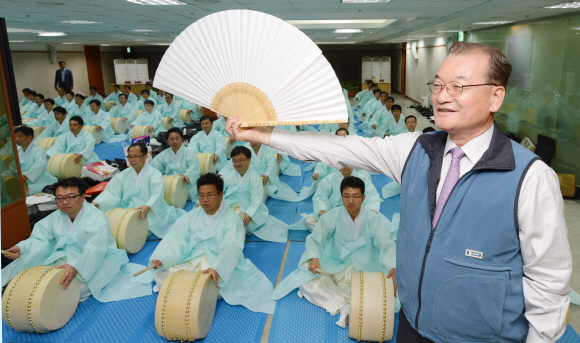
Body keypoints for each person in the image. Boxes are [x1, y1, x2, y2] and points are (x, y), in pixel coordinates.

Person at [226, 41, 572, 343]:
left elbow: (549, 281)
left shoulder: (531, 177)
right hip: (411, 325)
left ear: (496, 96)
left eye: (458, 86)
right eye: (437, 84)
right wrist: (260, 135)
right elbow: (337, 149)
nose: (441, 96)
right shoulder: (414, 150)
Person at [272, 176, 397, 327]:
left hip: (365, 266)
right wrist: (313, 256)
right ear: (341, 197)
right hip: (337, 264)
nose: (351, 201)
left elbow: (386, 243)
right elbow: (316, 237)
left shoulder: (372, 218)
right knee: (305, 281)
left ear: (363, 198)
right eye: (346, 196)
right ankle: (347, 305)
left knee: (389, 289)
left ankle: (348, 304)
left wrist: (392, 266)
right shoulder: (333, 215)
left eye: (356, 196)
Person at [2, 177, 152, 302]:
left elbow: (95, 248)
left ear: (82, 196)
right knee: (32, 278)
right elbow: (42, 239)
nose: (64, 202)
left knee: (71, 289)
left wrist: (77, 267)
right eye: (59, 198)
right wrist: (23, 248)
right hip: (63, 257)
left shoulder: (97, 217)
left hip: (97, 260)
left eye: (70, 197)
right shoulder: (55, 217)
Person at [145, 173, 276, 314]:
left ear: (220, 195)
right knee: (162, 274)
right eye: (201, 195)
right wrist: (162, 257)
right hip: (190, 258)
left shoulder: (232, 219)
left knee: (213, 282)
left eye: (210, 195)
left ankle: (192, 288)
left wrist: (217, 268)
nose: (205, 200)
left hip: (215, 260)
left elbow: (231, 247)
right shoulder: (190, 216)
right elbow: (176, 238)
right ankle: (196, 290)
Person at [92, 143, 186, 238]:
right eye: (130, 157)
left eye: (136, 156)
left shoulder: (154, 173)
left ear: (145, 156)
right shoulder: (123, 174)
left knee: (141, 229)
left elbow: (157, 192)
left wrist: (149, 205)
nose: (132, 160)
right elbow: (112, 192)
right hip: (128, 208)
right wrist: (98, 202)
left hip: (149, 210)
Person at [221, 146, 288, 242]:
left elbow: (256, 200)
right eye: (234, 161)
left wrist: (249, 214)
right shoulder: (230, 176)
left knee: (232, 227)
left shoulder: (255, 178)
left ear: (249, 160)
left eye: (241, 160)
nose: (237, 164)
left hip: (248, 210)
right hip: (231, 206)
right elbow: (217, 190)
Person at [220, 142, 298, 202]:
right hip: (246, 177)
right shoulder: (244, 150)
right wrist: (221, 174)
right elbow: (231, 164)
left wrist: (267, 175)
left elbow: (271, 166)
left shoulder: (267, 152)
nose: (253, 143)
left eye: (255, 141)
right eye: (251, 141)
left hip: (262, 179)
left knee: (255, 195)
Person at [150, 127, 201, 199]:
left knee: (184, 195)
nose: (174, 141)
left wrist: (186, 176)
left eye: (177, 138)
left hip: (185, 184)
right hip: (169, 185)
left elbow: (194, 168)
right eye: (171, 139)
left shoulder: (189, 153)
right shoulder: (164, 154)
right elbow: (154, 168)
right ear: (167, 140)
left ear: (182, 139)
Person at [14, 126, 57, 195]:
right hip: (24, 182)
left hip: (41, 181)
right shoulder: (17, 151)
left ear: (30, 137)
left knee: (25, 192)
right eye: (15, 136)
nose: (16, 139)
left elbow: (40, 165)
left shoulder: (38, 150)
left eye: (20, 136)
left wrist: (25, 176)